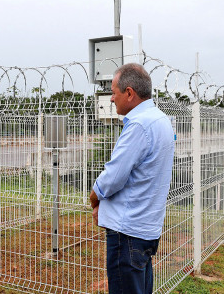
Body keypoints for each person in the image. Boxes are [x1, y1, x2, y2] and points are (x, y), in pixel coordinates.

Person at [89, 63, 175, 294]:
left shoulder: (139, 125)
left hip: (127, 232)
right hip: (146, 228)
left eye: (114, 93)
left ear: (129, 93)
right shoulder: (161, 120)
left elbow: (114, 176)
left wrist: (94, 197)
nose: (111, 99)